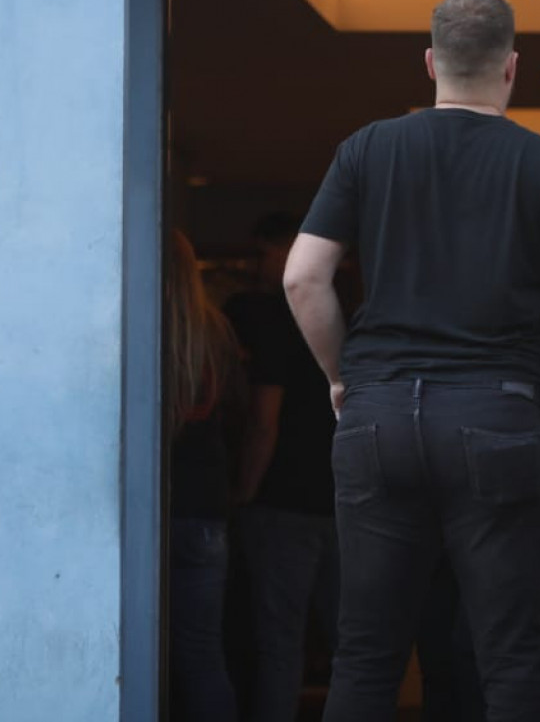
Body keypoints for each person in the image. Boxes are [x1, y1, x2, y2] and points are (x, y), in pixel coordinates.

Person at [283, 0, 540, 722]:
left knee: (366, 654)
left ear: (430, 61)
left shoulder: (367, 148)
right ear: (513, 67)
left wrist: (344, 377)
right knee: (514, 657)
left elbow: (302, 277)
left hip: (379, 415)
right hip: (500, 415)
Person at [227, 212, 341, 722]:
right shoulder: (347, 315)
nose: (257, 266)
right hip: (339, 501)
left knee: (279, 643)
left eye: (263, 253)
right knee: (352, 643)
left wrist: (245, 493)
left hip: (281, 503)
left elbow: (264, 419)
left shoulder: (265, 318)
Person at [166, 229, 245, 722]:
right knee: (202, 653)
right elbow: (240, 416)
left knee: (137, 651)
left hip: (149, 511)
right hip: (206, 508)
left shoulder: (136, 321)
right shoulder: (216, 329)